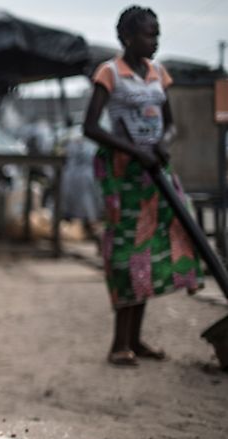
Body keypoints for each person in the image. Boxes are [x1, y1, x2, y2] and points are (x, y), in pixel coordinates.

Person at [82, 5, 202, 367]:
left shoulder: (158, 75)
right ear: (127, 38)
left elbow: (170, 125)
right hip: (126, 179)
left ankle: (134, 340)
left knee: (149, 254)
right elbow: (91, 127)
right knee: (125, 256)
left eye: (157, 33)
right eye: (148, 34)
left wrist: (163, 142)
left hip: (156, 175)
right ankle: (119, 343)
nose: (155, 40)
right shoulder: (110, 73)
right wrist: (135, 151)